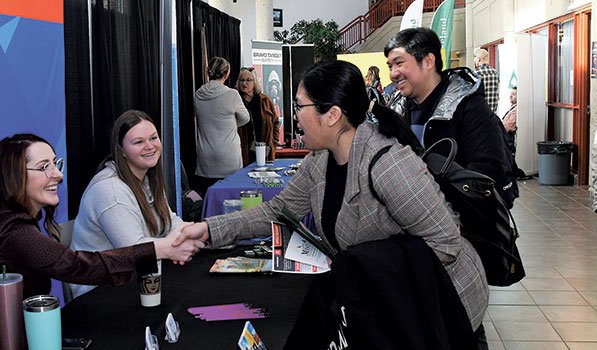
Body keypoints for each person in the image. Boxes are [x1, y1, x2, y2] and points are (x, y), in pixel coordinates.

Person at [176, 60, 489, 346]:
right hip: (392, 304)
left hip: (441, 308)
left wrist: (366, 266)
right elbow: (277, 209)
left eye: (300, 106)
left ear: (332, 115)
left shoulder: (389, 165)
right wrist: (208, 228)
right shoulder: (320, 160)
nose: (295, 116)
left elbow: (446, 242)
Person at [0, 133, 203, 350]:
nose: (58, 175)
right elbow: (75, 266)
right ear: (13, 176)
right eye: (44, 167)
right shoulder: (7, 228)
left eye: (55, 163)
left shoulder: (4, 220)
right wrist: (160, 249)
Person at [384, 28, 510, 206]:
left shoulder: (467, 105)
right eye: (390, 66)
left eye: (399, 63)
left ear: (428, 61)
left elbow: (489, 170)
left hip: (461, 223)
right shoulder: (395, 108)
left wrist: (442, 205)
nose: (393, 73)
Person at [69, 110, 188, 298]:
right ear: (121, 150)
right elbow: (134, 249)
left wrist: (189, 233)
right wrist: (176, 243)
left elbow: (169, 220)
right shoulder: (110, 190)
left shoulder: (147, 176)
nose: (149, 146)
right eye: (138, 142)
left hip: (138, 278)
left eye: (153, 138)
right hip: (102, 292)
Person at [193, 56, 250, 195]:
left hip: (205, 157)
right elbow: (246, 118)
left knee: (208, 200)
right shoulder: (232, 94)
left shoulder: (198, 95)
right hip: (228, 158)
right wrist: (230, 124)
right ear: (227, 74)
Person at [236, 67, 280, 164]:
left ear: (254, 82)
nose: (244, 83)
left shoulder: (265, 101)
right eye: (242, 80)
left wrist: (273, 144)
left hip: (264, 152)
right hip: (242, 152)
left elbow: (275, 122)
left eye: (248, 80)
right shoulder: (235, 100)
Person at [473, 48, 500, 114]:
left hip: (479, 114)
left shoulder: (475, 74)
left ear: (478, 59)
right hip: (492, 114)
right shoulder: (495, 73)